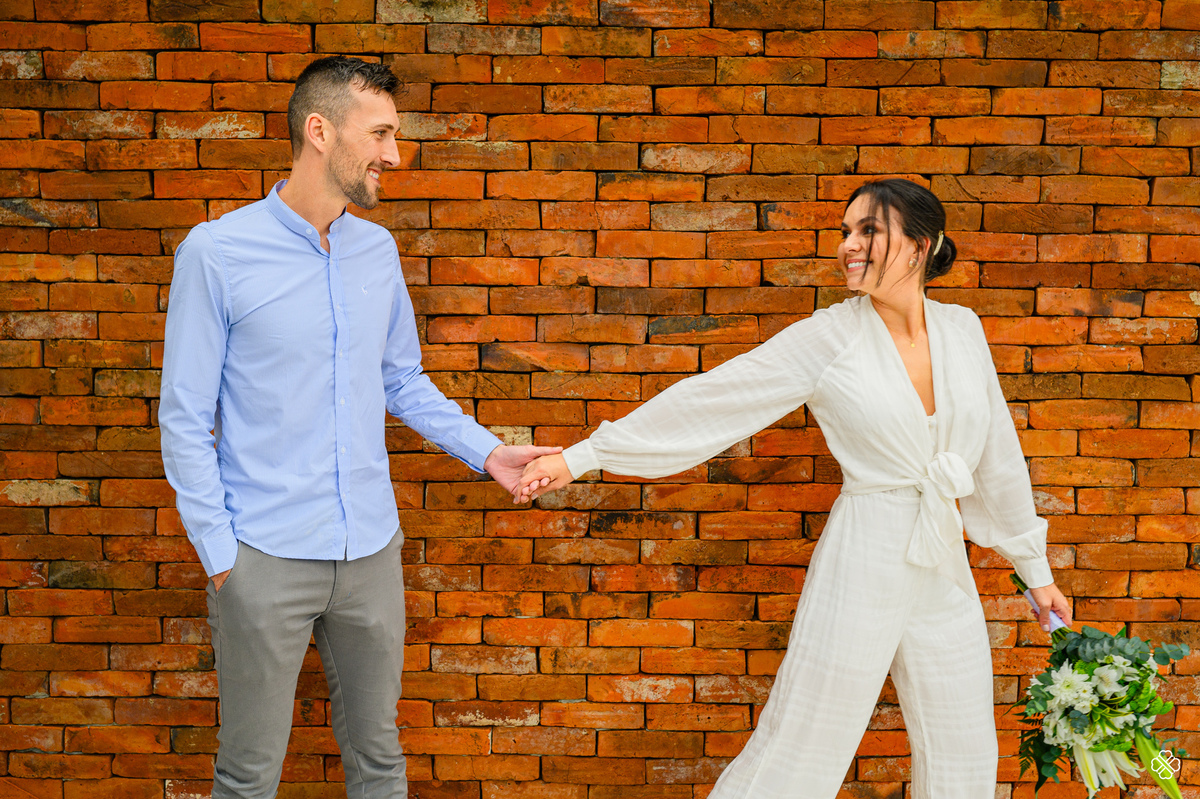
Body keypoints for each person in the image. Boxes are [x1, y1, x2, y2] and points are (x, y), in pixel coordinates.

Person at [516, 178, 1073, 798]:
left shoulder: (963, 329)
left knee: (964, 740)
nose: (849, 246)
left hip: (941, 556)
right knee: (808, 737)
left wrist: (1035, 569)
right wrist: (584, 455)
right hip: (866, 551)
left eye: (869, 231)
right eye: (845, 232)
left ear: (920, 246)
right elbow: (715, 399)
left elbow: (997, 454)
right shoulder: (829, 337)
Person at [159, 56, 557, 799]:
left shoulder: (377, 250)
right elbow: (184, 414)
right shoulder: (217, 252)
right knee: (247, 775)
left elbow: (400, 379)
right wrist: (221, 556)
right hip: (262, 556)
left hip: (371, 550)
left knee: (380, 761)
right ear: (320, 131)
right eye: (380, 133)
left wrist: (490, 452)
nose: (393, 155)